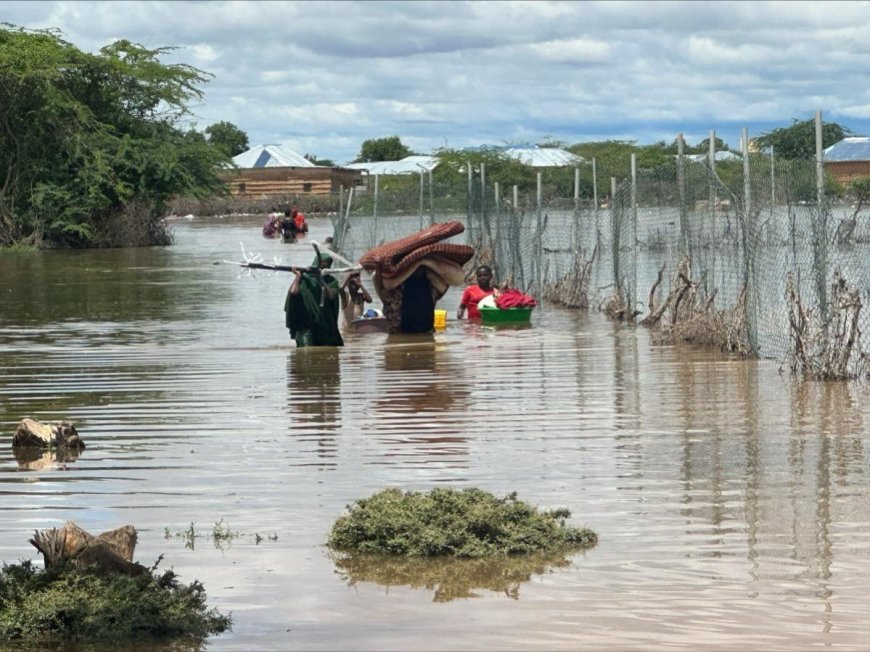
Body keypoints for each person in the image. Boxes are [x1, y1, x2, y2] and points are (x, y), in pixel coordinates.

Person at [283, 254, 343, 347]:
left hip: (324, 325)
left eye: (328, 266)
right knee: (306, 353)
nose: (325, 268)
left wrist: (321, 279)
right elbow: (293, 292)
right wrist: (298, 276)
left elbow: (331, 296)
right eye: (323, 266)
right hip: (306, 325)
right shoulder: (304, 279)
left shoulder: (332, 281)